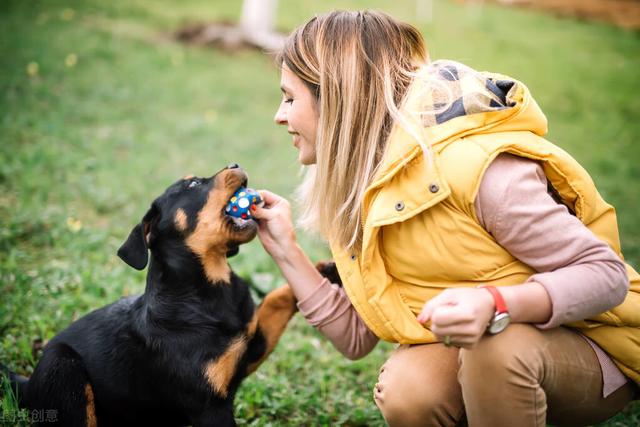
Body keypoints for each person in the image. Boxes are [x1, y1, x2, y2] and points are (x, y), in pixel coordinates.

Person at [250, 10, 640, 426]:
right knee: (410, 389)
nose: (280, 115)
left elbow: (606, 276)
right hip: (485, 344)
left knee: (495, 343)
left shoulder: (478, 170)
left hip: (596, 345)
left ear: (340, 96)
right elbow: (356, 336)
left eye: (290, 98)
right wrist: (284, 248)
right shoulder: (368, 188)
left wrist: (496, 303)